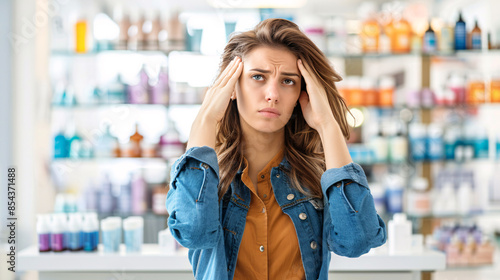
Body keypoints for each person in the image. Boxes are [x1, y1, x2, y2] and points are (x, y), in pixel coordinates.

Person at [166, 18, 386, 280]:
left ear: (301, 95)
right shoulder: (200, 175)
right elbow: (194, 233)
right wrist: (206, 119)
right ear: (232, 87)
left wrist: (327, 124)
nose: (272, 93)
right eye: (258, 77)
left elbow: (357, 242)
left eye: (288, 81)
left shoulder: (315, 177)